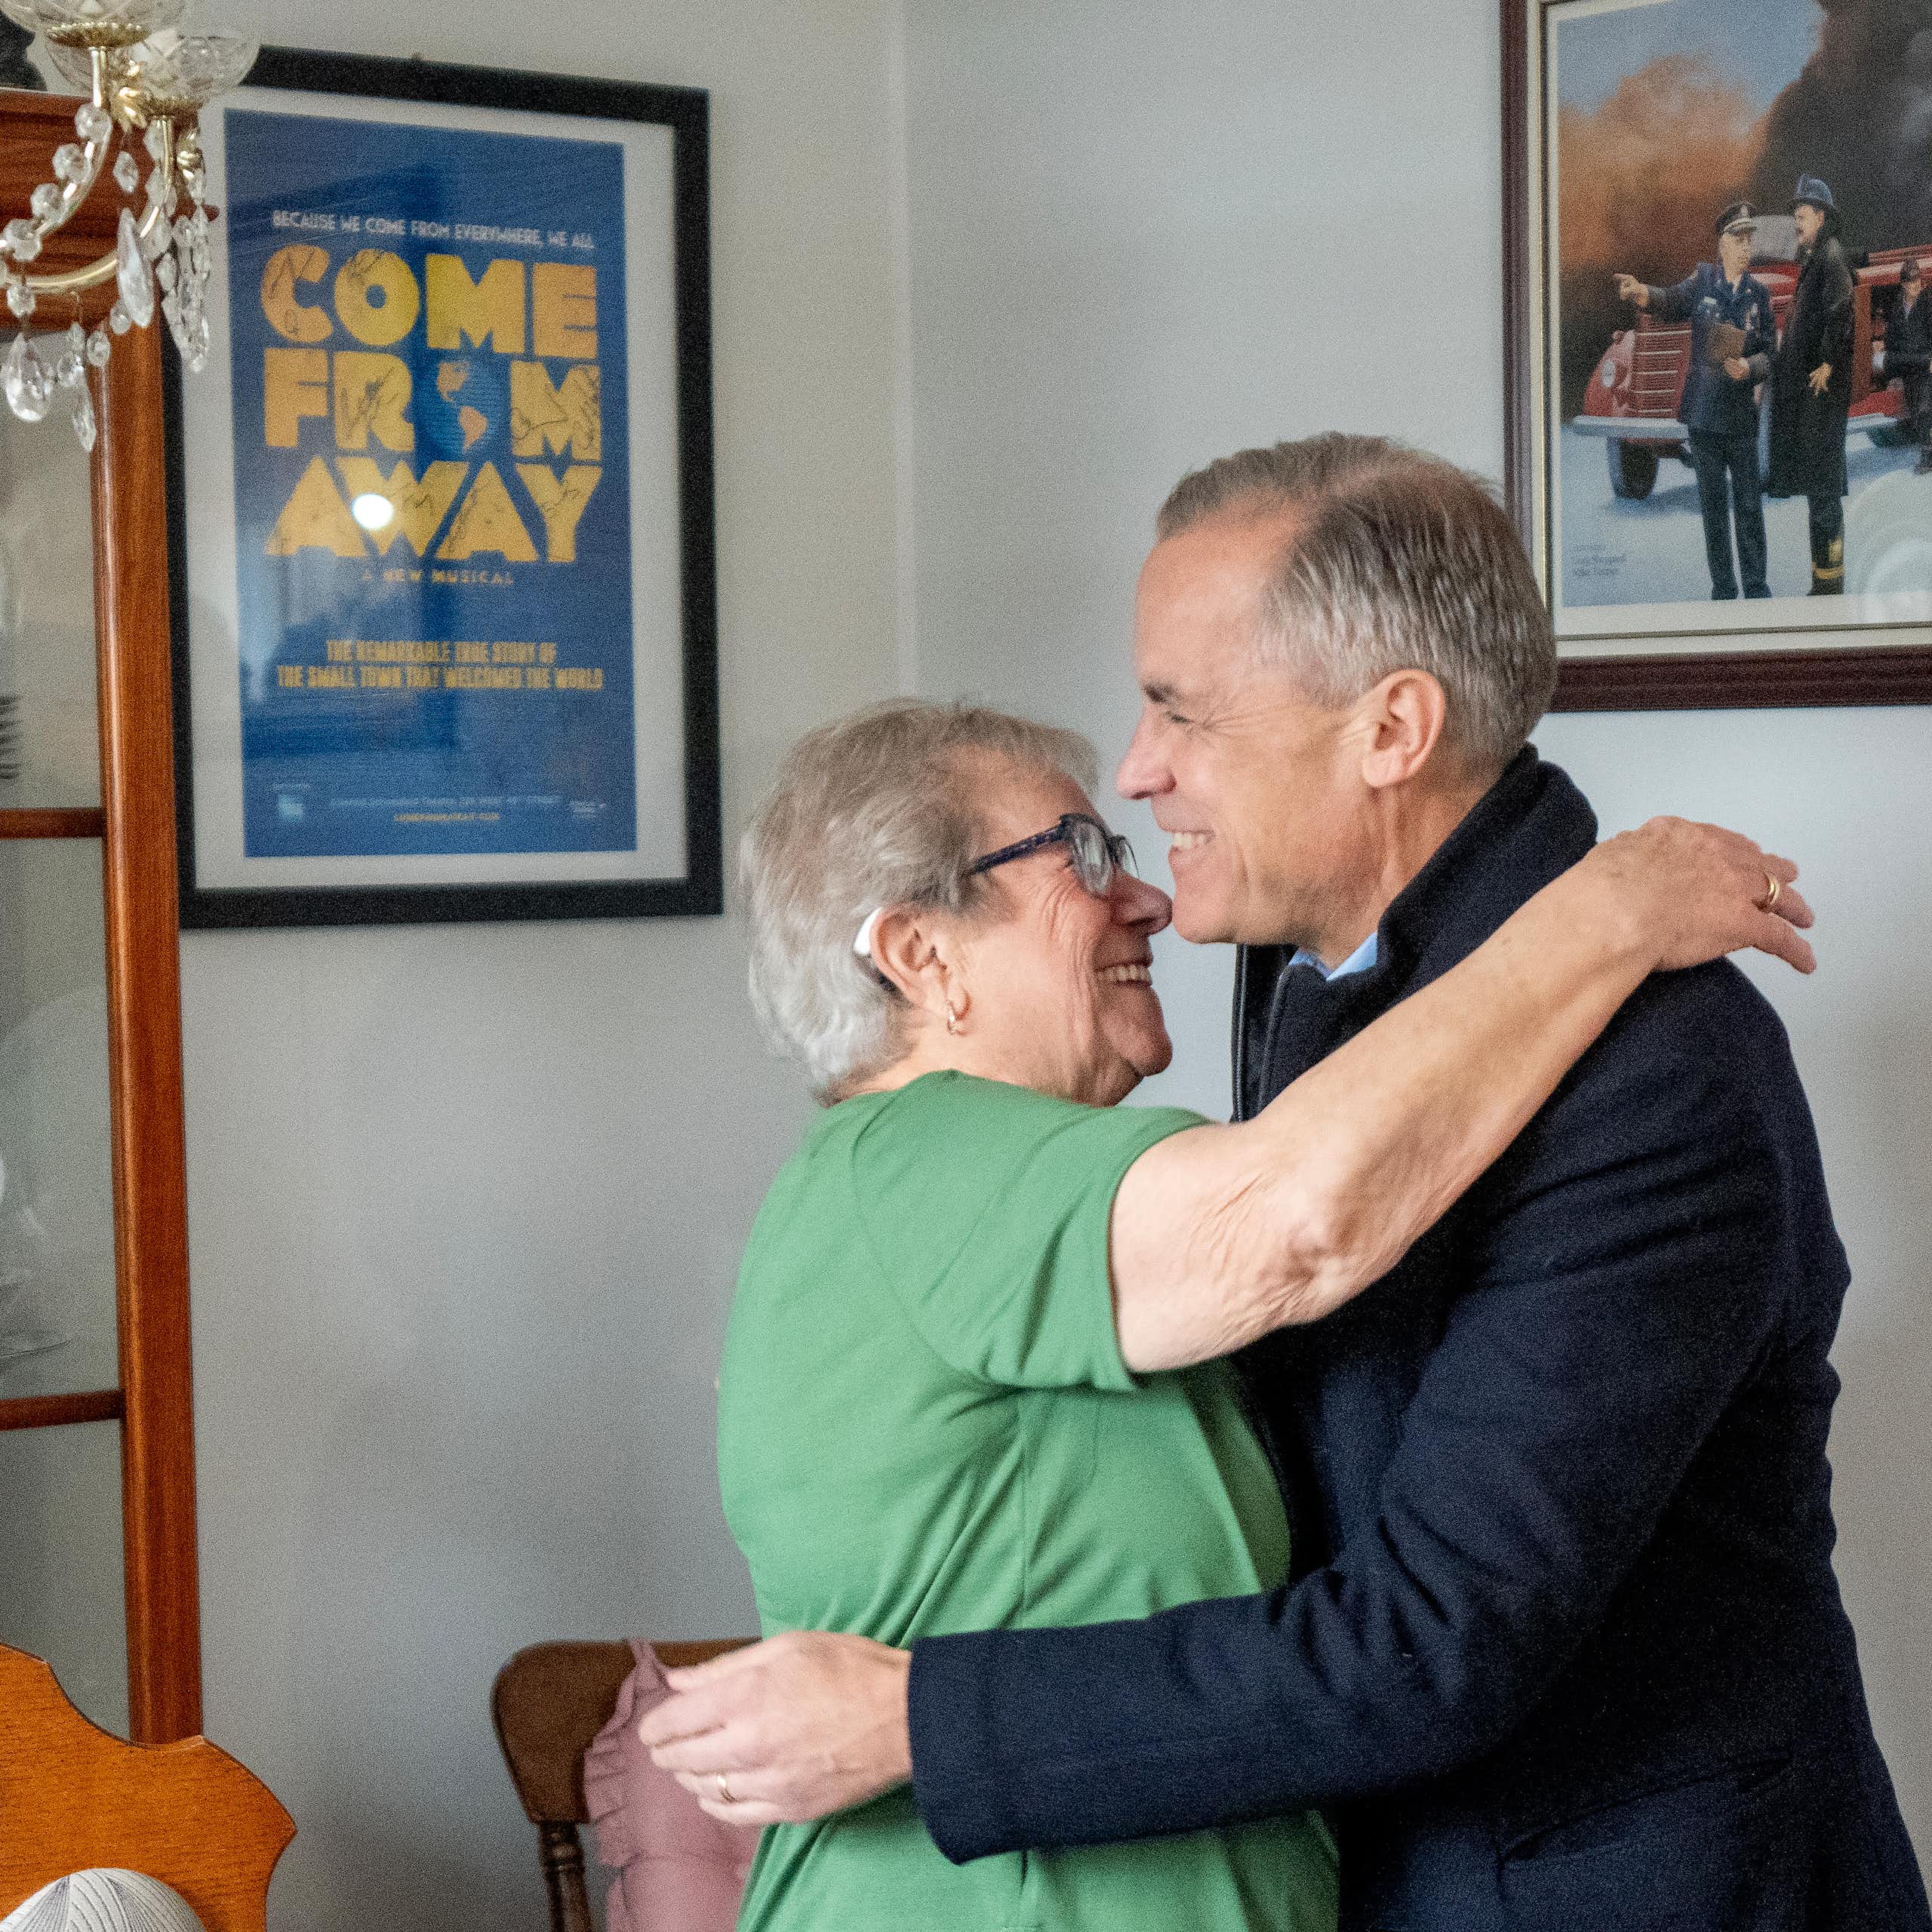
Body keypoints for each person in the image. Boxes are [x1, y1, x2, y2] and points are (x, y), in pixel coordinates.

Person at [645, 438, 1932, 1932]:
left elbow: (1430, 1640)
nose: (1142, 771)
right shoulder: (1303, 998)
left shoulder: (1654, 1067)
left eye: (1179, 710)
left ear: (1389, 730)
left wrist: (919, 1719)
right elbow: (1289, 1240)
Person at [1614, 201, 1775, 598]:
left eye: (1749, 239)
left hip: (1741, 420)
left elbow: (1771, 354)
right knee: (1714, 511)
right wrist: (1641, 292)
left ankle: (1757, 588)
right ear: (1721, 244)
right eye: (1738, 239)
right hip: (1704, 419)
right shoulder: (1703, 281)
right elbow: (1670, 301)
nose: (1745, 247)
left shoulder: (1759, 295)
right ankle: (1724, 590)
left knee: (1750, 507)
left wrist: (1750, 367)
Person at [1767, 175, 1856, 594]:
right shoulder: (1817, 258)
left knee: (1824, 493)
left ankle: (1830, 586)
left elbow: (1841, 313)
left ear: (1820, 217)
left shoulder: (1831, 256)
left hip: (1823, 397)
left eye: (1801, 216)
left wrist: (1826, 363)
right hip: (1813, 399)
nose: (1796, 223)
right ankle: (1823, 580)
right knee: (1819, 492)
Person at [1884, 257, 1932, 476]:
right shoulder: (1896, 309)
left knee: (1925, 410)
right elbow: (1891, 342)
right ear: (1903, 284)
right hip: (1908, 367)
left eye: (1918, 281)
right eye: (1912, 282)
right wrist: (1893, 372)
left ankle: (1928, 456)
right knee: (1915, 410)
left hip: (1927, 365)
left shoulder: (1928, 304)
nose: (1916, 285)